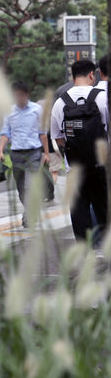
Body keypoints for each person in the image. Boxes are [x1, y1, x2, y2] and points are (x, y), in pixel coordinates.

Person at [50, 59, 109, 245]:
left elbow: (58, 137)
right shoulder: (102, 97)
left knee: (79, 211)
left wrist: (71, 152)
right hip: (100, 166)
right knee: (103, 210)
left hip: (74, 167)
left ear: (73, 76)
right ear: (92, 74)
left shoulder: (60, 102)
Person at [0, 81, 50, 227]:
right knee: (21, 187)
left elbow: (42, 133)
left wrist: (46, 153)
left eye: (20, 95)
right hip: (16, 154)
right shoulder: (9, 111)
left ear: (26, 95)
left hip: (33, 152)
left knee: (31, 185)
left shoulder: (37, 110)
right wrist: (1, 150)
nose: (18, 98)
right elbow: (5, 133)